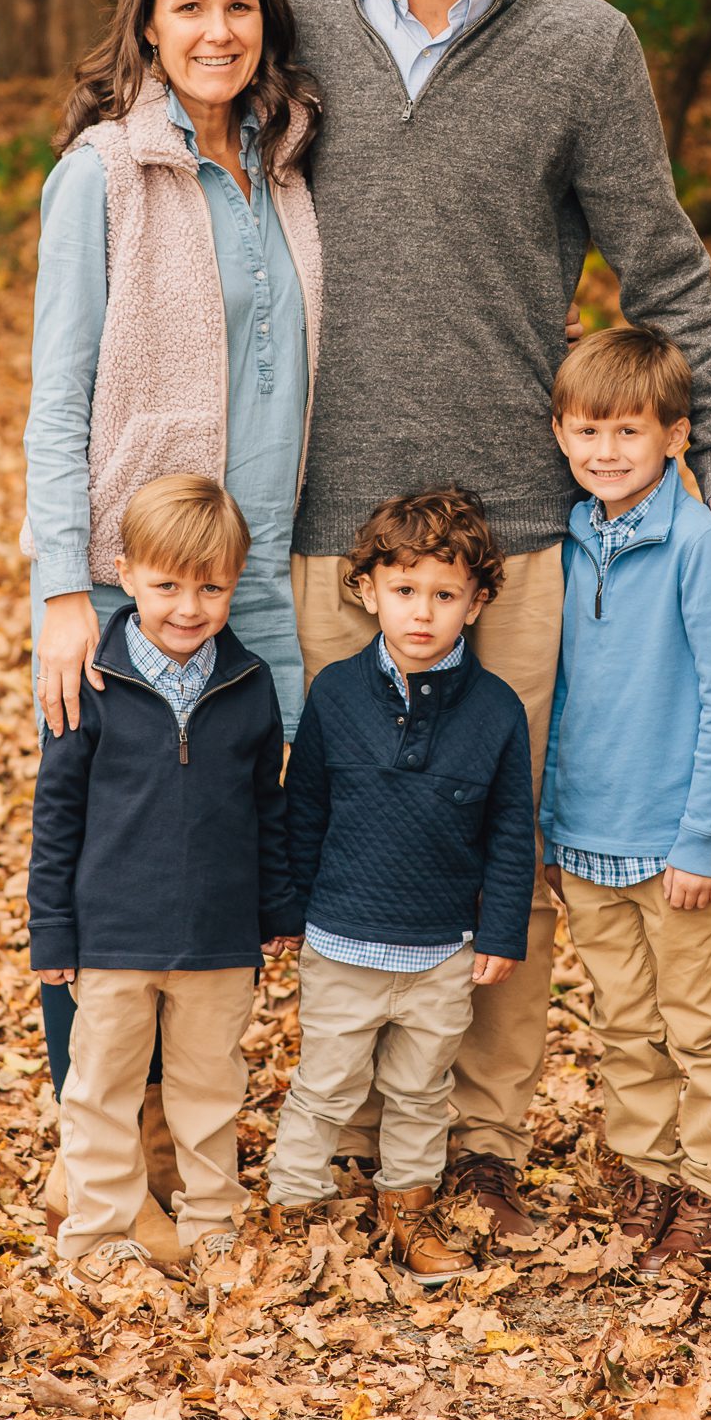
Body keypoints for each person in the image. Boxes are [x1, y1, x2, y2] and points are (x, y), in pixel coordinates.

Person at [281, 0, 711, 1235]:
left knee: (508, 836)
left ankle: (473, 1140)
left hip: (519, 525)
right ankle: (361, 1128)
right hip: (327, 519)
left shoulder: (579, 45)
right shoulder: (291, 17)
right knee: (355, 819)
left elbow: (660, 265)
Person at [22, 0, 322, 1227]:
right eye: (189, 7)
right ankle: (106, 1171)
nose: (215, 30)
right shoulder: (101, 174)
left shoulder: (287, 166)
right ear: (148, 22)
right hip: (135, 572)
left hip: (262, 571)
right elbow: (56, 400)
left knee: (227, 847)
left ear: (265, 26)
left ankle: (202, 1158)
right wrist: (55, 592)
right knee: (112, 854)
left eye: (237, 7)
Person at [28, 476, 302, 1282]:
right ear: (125, 572)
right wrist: (52, 930)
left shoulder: (248, 686)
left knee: (208, 1089)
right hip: (112, 934)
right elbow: (56, 820)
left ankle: (213, 1226)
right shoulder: (93, 684)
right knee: (103, 1089)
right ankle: (97, 1236)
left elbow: (268, 806)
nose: (188, 606)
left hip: (219, 941)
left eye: (210, 587)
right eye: (167, 585)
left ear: (233, 585)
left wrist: (276, 904)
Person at [266, 490, 535, 1284]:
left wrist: (500, 932)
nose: (423, 613)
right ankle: (293, 1208)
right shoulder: (337, 694)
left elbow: (511, 829)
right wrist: (288, 908)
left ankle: (406, 1212)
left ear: (476, 602)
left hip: (440, 948)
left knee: (422, 1092)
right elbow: (303, 805)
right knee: (325, 1085)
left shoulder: (495, 710)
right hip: (342, 939)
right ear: (367, 591)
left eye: (445, 595)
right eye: (405, 590)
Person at [540, 326, 711, 1267]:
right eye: (586, 432)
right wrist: (547, 829)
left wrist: (700, 838)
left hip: (675, 849)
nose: (605, 453)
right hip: (585, 838)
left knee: (699, 1026)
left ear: (675, 436)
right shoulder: (567, 537)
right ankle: (648, 1172)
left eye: (627, 433)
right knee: (624, 1024)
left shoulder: (699, 544)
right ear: (558, 434)